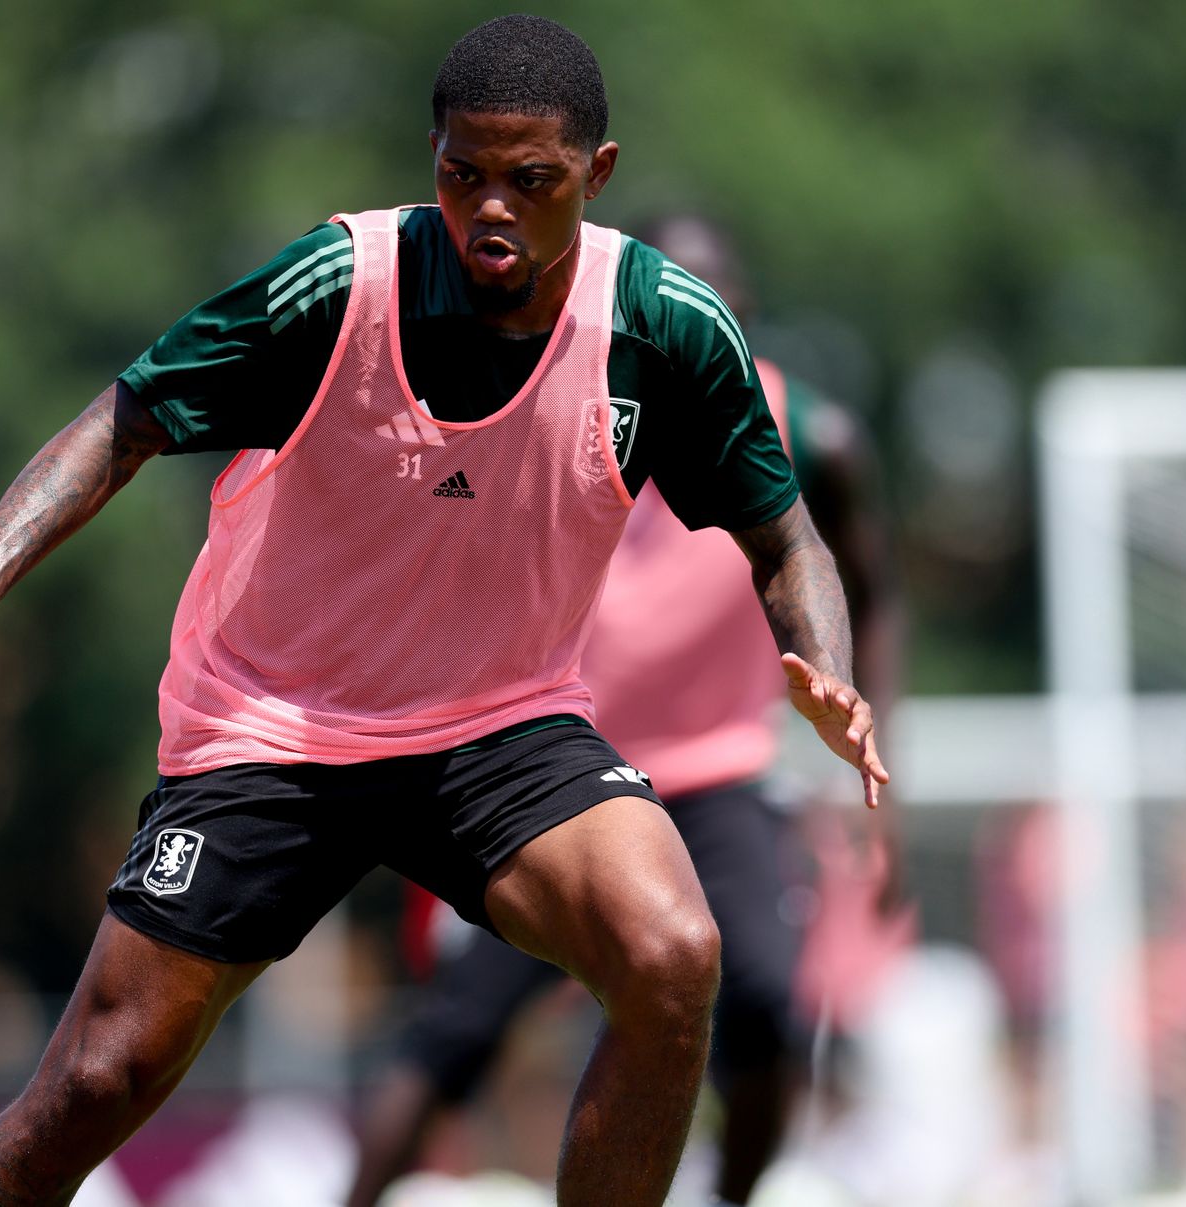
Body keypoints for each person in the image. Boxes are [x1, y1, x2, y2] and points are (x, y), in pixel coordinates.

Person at [0, 17, 888, 1207]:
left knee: (674, 953)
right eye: (463, 174)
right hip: (275, 727)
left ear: (596, 177)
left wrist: (828, 664)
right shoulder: (338, 287)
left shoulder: (665, 327)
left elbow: (791, 538)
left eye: (531, 181)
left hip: (503, 726)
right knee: (98, 1076)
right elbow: (120, 423)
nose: (491, 209)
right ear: (432, 155)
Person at [344, 214, 899, 1207]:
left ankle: (733, 1193)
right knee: (458, 1032)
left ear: (744, 319)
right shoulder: (553, 404)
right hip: (555, 768)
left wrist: (872, 736)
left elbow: (871, 589)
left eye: (716, 305)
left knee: (767, 1002)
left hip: (717, 771)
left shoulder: (809, 436)